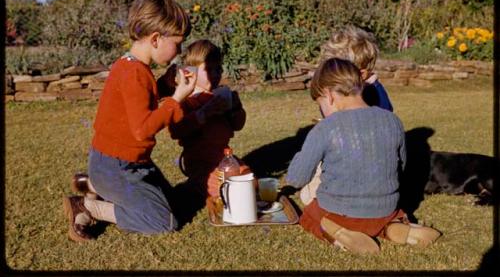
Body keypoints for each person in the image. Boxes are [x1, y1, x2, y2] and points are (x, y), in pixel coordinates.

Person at [64, 0, 196, 242]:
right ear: (156, 39)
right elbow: (142, 129)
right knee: (164, 220)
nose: (178, 52)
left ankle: (93, 185)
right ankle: (88, 207)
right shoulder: (135, 73)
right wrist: (176, 99)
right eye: (177, 44)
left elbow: (138, 105)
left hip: (122, 163)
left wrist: (166, 86)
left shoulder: (130, 66)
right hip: (118, 166)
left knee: (175, 202)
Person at [285, 58, 441, 254]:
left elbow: (296, 178)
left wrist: (303, 152)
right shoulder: (392, 120)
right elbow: (400, 167)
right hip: (386, 211)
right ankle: (394, 228)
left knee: (309, 216)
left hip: (340, 213)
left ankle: (337, 232)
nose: (322, 111)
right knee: (384, 218)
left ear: (329, 95)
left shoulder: (326, 127)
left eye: (320, 104)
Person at [300, 25, 394, 205]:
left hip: (363, 160)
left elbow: (383, 125)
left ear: (361, 73)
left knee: (309, 197)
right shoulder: (336, 92)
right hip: (349, 155)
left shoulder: (372, 93)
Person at [158, 39, 251, 199]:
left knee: (249, 180)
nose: (216, 74)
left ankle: (209, 183)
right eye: (209, 69)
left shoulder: (221, 95)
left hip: (223, 157)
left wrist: (235, 108)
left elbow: (238, 125)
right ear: (190, 71)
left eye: (219, 69)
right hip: (199, 160)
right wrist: (204, 113)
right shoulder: (186, 99)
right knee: (226, 190)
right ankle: (197, 185)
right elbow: (176, 130)